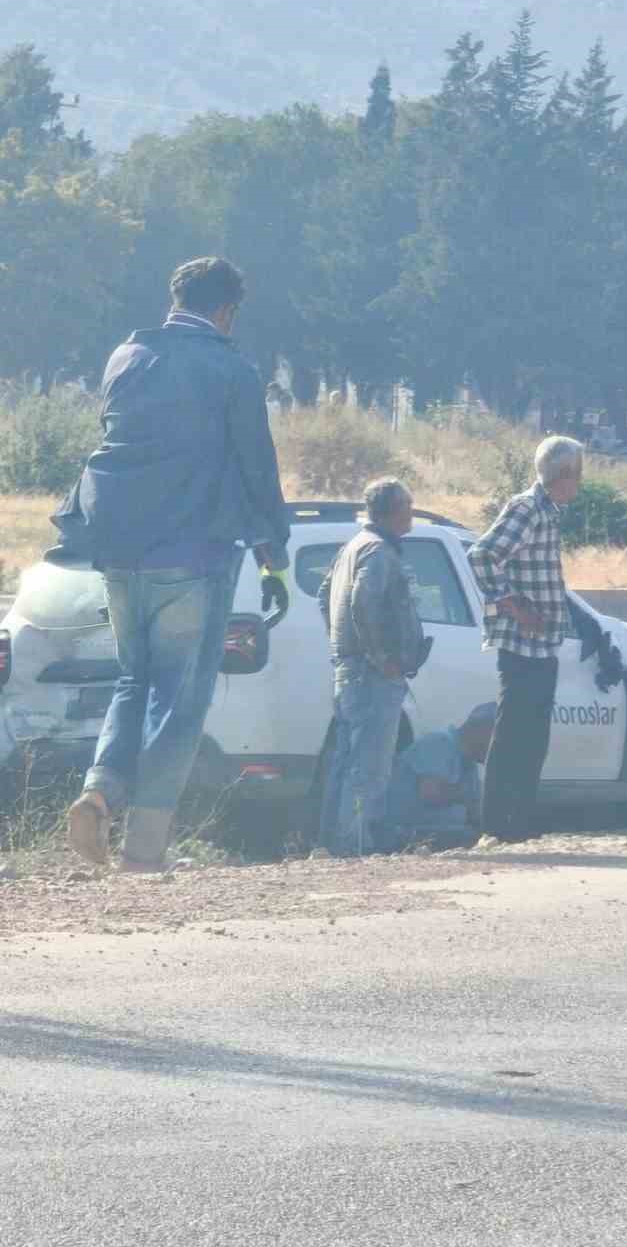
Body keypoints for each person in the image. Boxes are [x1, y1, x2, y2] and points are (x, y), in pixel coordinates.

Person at [54, 257, 291, 872]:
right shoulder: (232, 369)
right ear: (227, 311)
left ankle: (99, 792)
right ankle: (144, 850)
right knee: (181, 703)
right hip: (192, 557)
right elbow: (256, 470)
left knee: (133, 683)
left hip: (119, 556)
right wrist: (274, 558)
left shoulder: (125, 359)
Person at [468, 435, 582, 844]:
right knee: (514, 734)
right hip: (520, 643)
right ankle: (496, 827)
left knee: (533, 738)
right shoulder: (527, 508)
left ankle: (518, 826)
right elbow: (481, 556)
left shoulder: (548, 513)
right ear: (564, 475)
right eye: (577, 474)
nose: (580, 484)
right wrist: (513, 605)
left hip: (543, 644)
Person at [317, 478, 430, 855]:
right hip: (370, 676)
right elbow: (362, 603)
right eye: (408, 507)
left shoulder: (353, 547)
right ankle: (356, 847)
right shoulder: (379, 552)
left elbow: (324, 597)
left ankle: (334, 843)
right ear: (394, 512)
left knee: (346, 762)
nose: (411, 514)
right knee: (369, 767)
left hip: (349, 671)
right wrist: (381, 658)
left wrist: (343, 646)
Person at [380, 705, 496, 852]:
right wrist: (468, 798)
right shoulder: (439, 743)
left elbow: (475, 812)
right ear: (482, 731)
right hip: (404, 832)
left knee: (492, 836)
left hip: (435, 831)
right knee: (478, 841)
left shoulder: (469, 764)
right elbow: (431, 793)